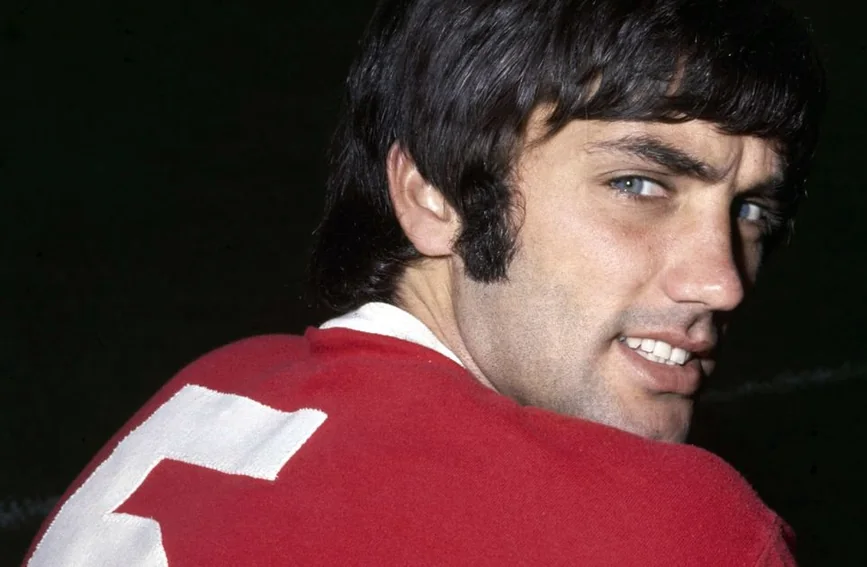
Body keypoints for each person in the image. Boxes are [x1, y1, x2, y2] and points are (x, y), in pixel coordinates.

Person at [25, 0, 825, 564]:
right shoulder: (666, 533)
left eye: (751, 209)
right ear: (432, 195)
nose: (722, 282)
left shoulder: (213, 391)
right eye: (638, 186)